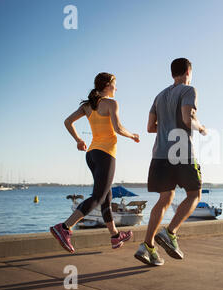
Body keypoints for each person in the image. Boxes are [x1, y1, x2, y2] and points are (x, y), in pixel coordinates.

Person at [50, 72, 140, 253]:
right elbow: (118, 128)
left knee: (106, 196)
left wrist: (78, 140)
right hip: (106, 154)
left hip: (91, 154)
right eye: (115, 84)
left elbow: (68, 122)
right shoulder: (111, 103)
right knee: (98, 196)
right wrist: (133, 136)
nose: (116, 88)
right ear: (107, 85)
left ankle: (115, 236)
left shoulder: (88, 105)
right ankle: (65, 227)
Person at [134, 58, 207, 266]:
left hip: (159, 154)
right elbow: (187, 120)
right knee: (194, 194)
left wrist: (166, 125)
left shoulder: (159, 96)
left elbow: (150, 127)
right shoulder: (189, 90)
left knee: (165, 199)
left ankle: (147, 246)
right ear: (187, 71)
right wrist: (200, 127)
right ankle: (170, 232)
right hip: (181, 152)